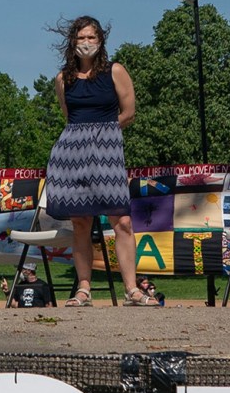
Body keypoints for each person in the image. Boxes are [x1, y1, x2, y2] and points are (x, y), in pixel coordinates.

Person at [45, 17, 154, 307]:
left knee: (123, 221)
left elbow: (129, 112)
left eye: (92, 37)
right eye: (81, 37)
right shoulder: (62, 79)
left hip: (107, 153)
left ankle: (132, 289)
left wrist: (103, 134)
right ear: (72, 41)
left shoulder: (115, 71)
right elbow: (68, 116)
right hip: (70, 155)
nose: (87, 43)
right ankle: (83, 288)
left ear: (101, 40)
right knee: (80, 222)